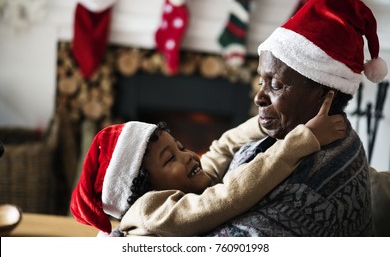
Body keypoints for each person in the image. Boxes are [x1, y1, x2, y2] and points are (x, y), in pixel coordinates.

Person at [200, 0, 388, 237]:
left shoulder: (307, 194)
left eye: (276, 84)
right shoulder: (311, 130)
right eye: (261, 81)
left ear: (324, 93)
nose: (259, 97)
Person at [70, 91, 345, 236]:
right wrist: (301, 140)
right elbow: (228, 197)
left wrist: (270, 121)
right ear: (143, 188)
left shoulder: (185, 188)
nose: (187, 154)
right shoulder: (148, 211)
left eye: (179, 147)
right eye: (170, 158)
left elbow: (222, 148)